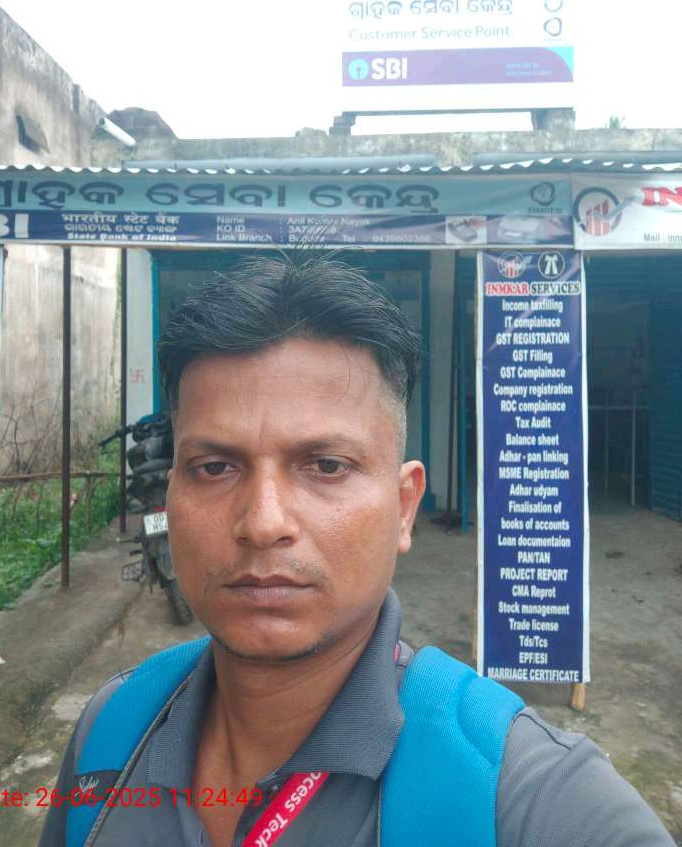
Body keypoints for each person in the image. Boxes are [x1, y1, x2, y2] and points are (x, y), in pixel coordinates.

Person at [39, 256, 674, 847]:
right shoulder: (112, 732)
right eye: (214, 467)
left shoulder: (534, 799)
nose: (263, 523)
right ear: (170, 493)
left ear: (404, 506)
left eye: (326, 465)